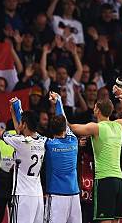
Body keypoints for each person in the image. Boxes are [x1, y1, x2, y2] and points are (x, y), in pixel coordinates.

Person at [66, 86, 122, 223]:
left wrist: (58, 105)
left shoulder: (95, 127)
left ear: (97, 110)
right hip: (120, 181)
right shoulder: (118, 125)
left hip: (105, 180)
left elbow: (70, 127)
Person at [0, 97, 47, 223]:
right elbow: (21, 131)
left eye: (21, 123)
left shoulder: (21, 142)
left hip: (22, 196)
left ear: (24, 124)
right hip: (37, 196)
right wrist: (14, 113)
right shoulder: (42, 141)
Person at [46, 92, 82, 223]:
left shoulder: (48, 144)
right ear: (64, 129)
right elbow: (64, 120)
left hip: (56, 195)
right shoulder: (73, 141)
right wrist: (58, 101)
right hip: (74, 194)